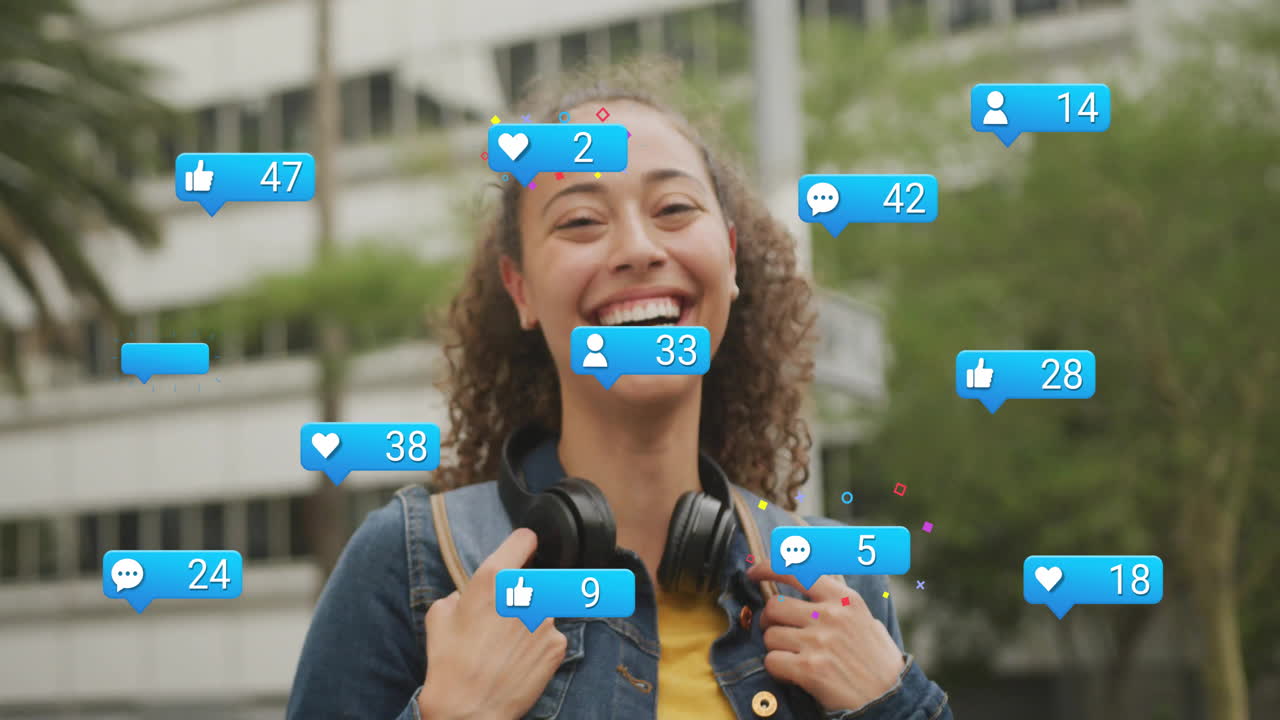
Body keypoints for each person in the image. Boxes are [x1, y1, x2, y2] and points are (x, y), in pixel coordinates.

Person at [286, 60, 951, 720]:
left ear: (728, 255)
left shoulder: (835, 587)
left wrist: (894, 706)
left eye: (673, 209)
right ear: (521, 290)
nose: (637, 248)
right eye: (580, 221)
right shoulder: (410, 565)